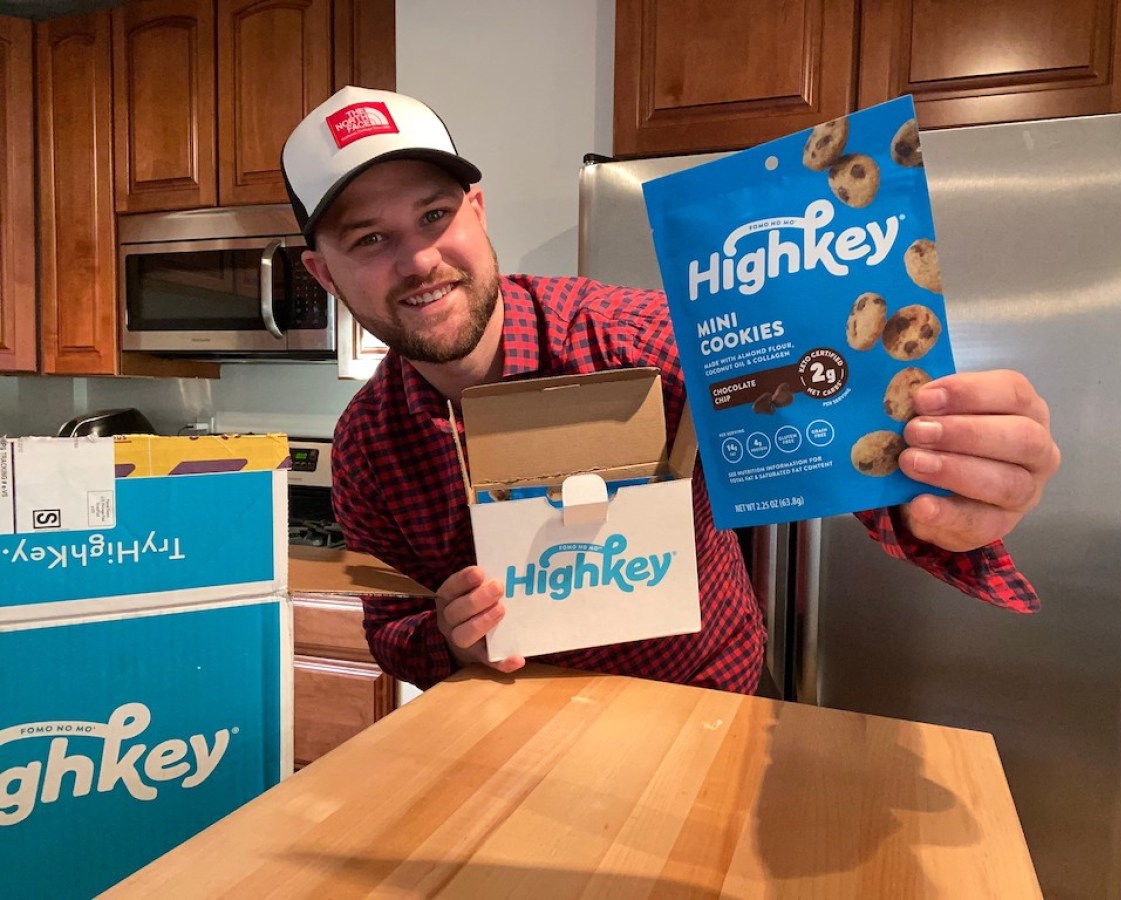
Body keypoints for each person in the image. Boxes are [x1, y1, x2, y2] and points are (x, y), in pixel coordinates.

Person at [281, 87, 1061, 694]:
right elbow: (389, 627)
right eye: (370, 239)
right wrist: (448, 638)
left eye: (435, 214)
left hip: (713, 711)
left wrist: (942, 500)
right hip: (520, 743)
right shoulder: (365, 446)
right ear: (322, 272)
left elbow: (835, 440)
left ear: (477, 213)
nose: (418, 260)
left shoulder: (636, 342)